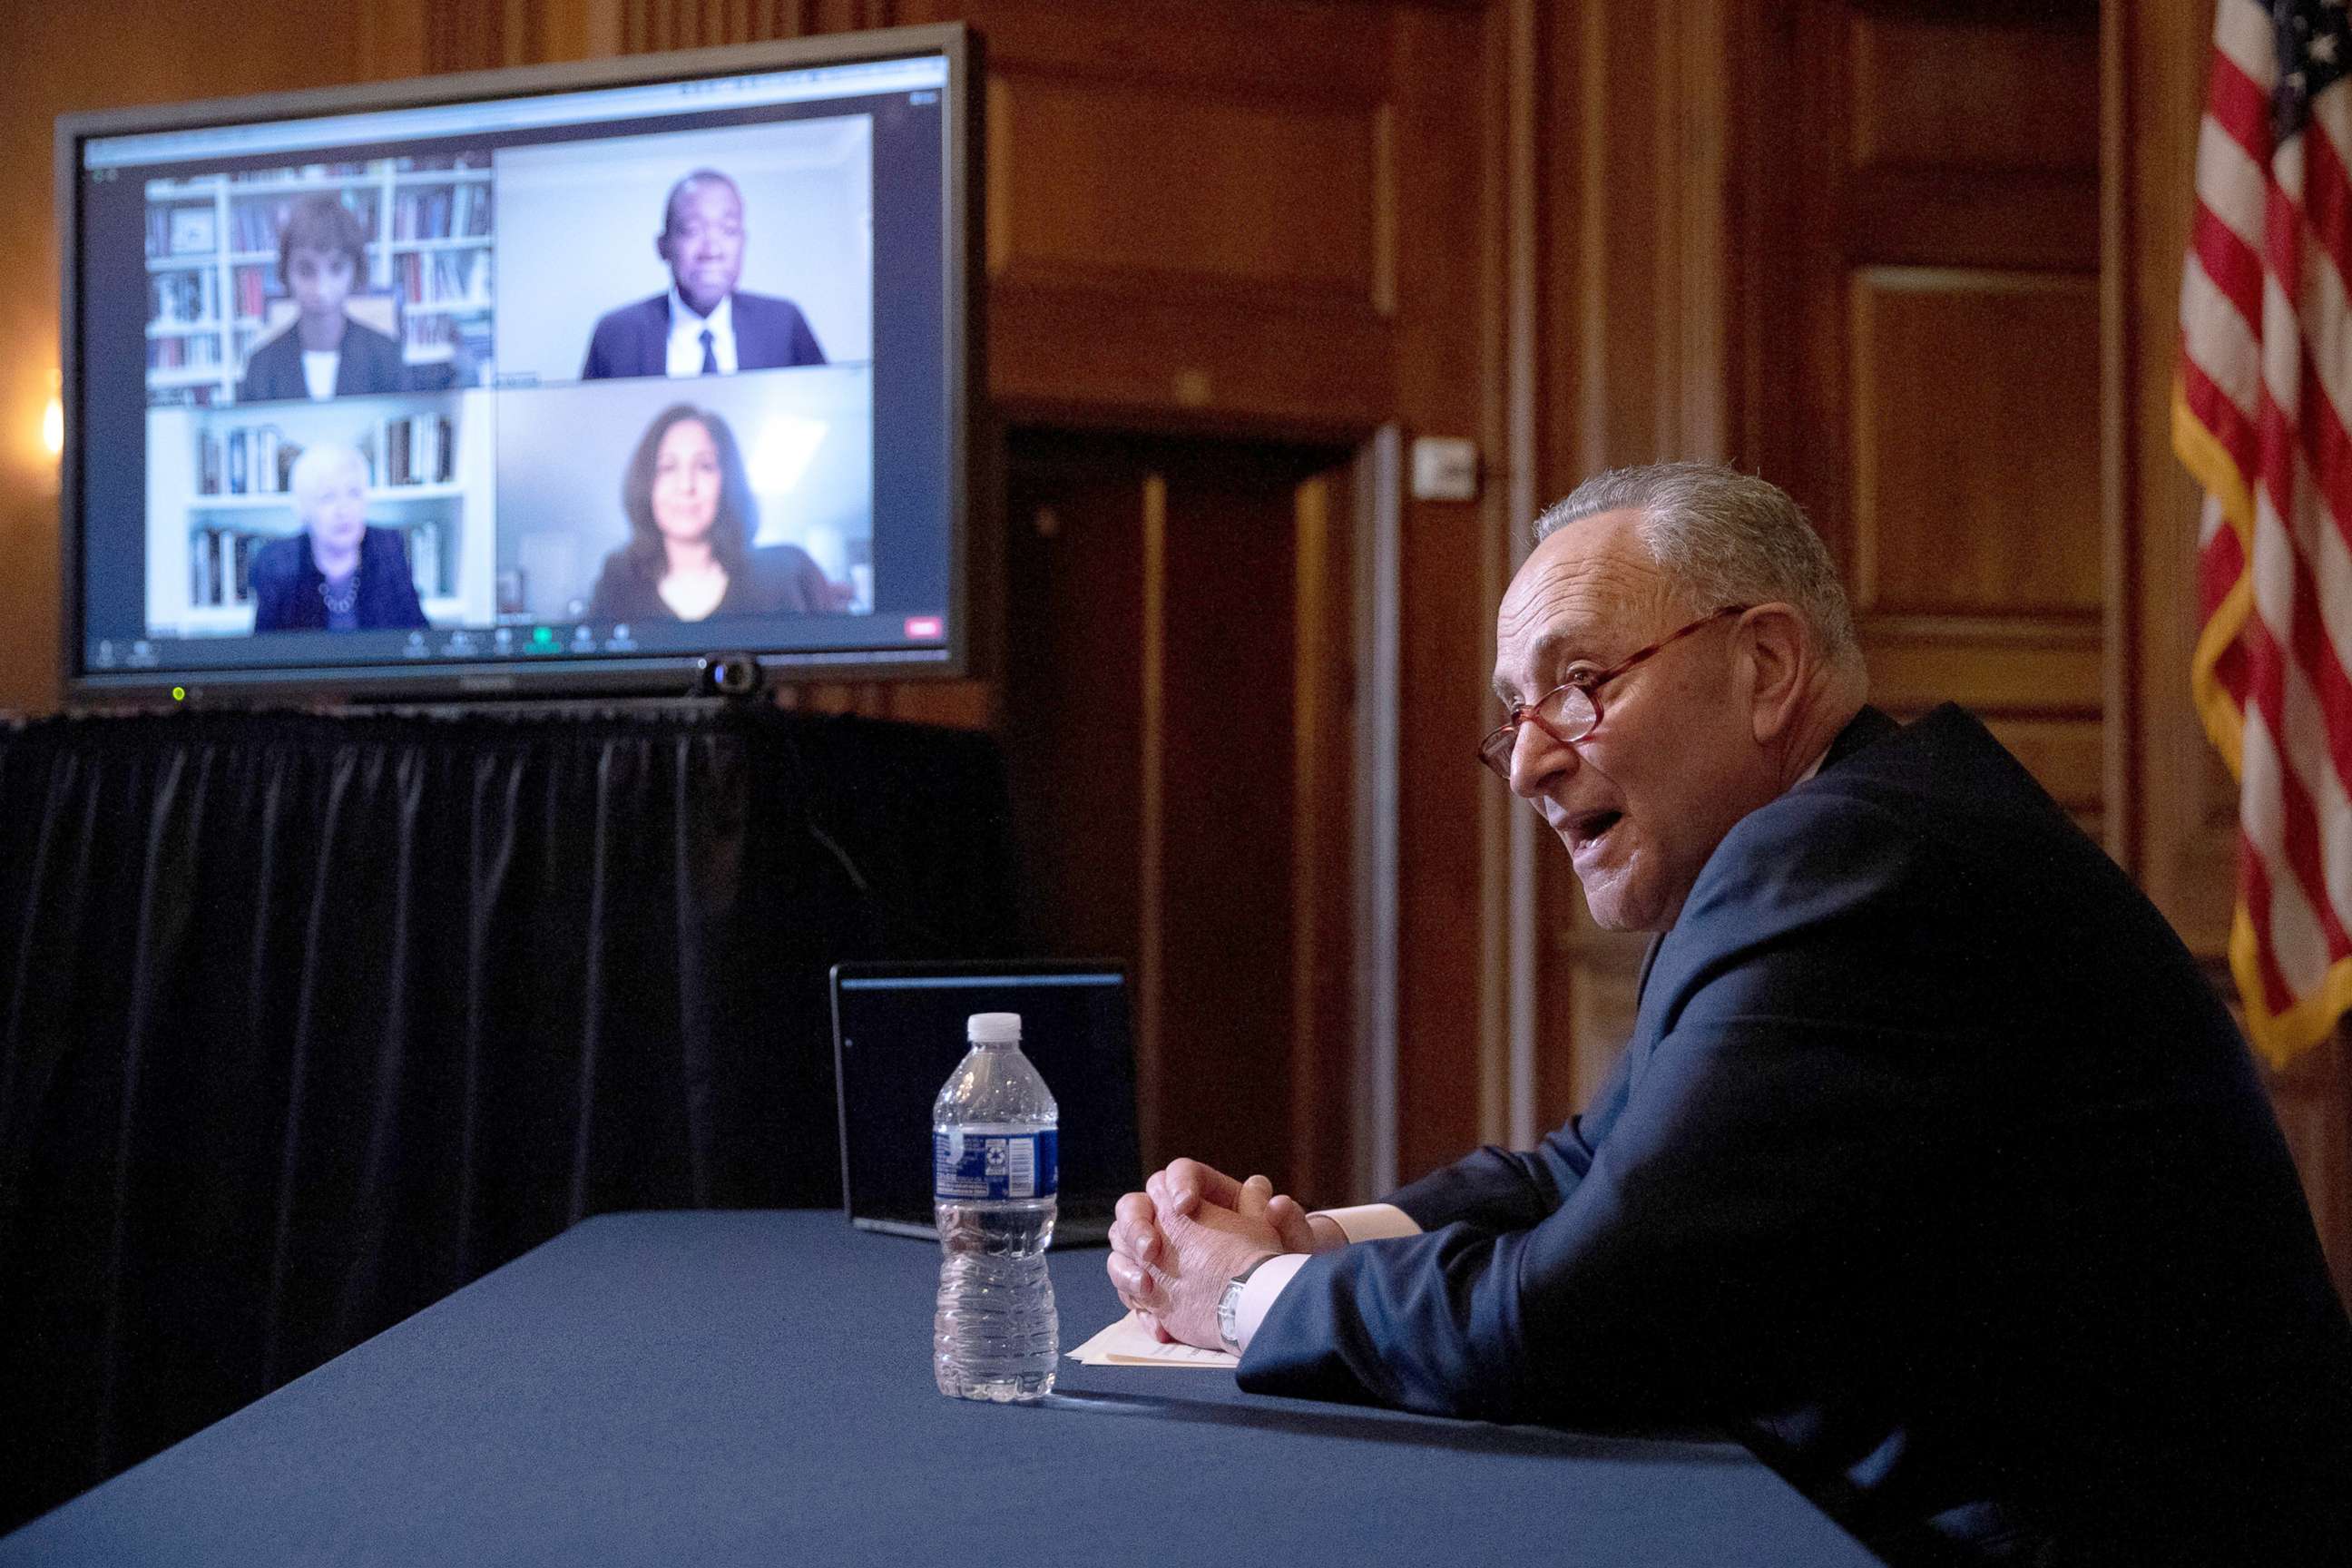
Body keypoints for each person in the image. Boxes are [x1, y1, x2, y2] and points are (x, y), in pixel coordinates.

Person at [1107, 464, 2352, 1564]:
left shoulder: (1854, 863)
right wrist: (1324, 1237)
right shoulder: (1849, 833)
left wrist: (1246, 1295)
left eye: (1580, 686)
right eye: (1514, 716)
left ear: (1764, 666)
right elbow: (1591, 1171)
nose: (1532, 762)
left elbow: (1578, 1322)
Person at [583, 403, 845, 622]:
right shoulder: (617, 579)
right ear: (646, 482)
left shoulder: (789, 572)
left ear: (727, 481)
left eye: (705, 466)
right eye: (667, 468)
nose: (686, 486)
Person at [579, 171, 826, 381]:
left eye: (728, 230)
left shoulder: (783, 323)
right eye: (692, 230)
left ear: (743, 242)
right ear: (663, 247)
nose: (712, 250)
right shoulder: (616, 334)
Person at [238, 193, 407, 404]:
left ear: (355, 272)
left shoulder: (386, 355)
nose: (321, 289)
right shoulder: (261, 366)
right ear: (285, 273)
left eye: (336, 268)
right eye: (306, 270)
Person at [248, 441, 428, 632]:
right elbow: (266, 651)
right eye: (328, 497)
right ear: (303, 508)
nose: (344, 509)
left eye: (354, 493)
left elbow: (416, 638)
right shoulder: (276, 562)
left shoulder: (388, 547)